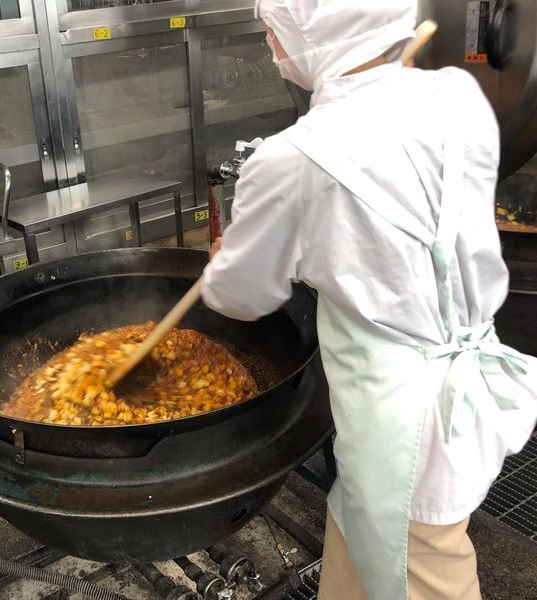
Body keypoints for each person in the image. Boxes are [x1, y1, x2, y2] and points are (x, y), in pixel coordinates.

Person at [201, 1, 537, 599]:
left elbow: (240, 296)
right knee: (359, 550)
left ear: (314, 32)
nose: (272, 48)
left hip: (403, 426)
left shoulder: (291, 159)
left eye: (274, 32)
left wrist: (229, 262)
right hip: (464, 388)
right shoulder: (458, 97)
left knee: (422, 571)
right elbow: (405, 242)